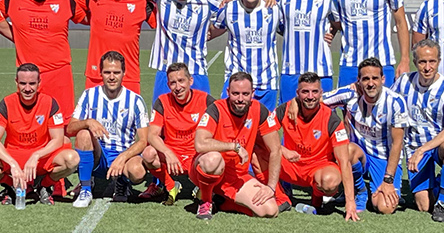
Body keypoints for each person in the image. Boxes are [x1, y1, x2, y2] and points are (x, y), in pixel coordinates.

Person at [0, 62, 78, 207]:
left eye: (32, 83)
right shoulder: (7, 103)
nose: (27, 89)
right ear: (16, 82)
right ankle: (11, 185)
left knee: (71, 159)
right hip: (13, 156)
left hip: (41, 159)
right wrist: (12, 163)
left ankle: (44, 185)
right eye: (23, 83)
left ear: (39, 83)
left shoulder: (49, 103)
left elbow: (58, 139)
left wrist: (36, 155)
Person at [191, 71, 284, 218]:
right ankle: (205, 201)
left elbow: (275, 150)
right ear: (228, 92)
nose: (240, 99)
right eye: (235, 94)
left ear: (252, 93)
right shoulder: (216, 109)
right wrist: (234, 147)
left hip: (237, 175)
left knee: (270, 210)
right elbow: (200, 144)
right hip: (208, 169)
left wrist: (271, 188)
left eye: (245, 94)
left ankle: (221, 201)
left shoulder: (259, 110)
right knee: (213, 160)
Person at [271, 71, 359, 221]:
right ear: (297, 93)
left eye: (314, 92)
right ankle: (281, 196)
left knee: (331, 180)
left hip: (318, 167)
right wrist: (282, 150)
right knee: (257, 152)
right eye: (305, 92)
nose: (310, 96)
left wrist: (350, 203)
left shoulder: (331, 119)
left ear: (321, 93)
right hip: (290, 164)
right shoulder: (284, 110)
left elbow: (344, 162)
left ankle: (316, 198)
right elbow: (263, 133)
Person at [0, 0, 79, 114]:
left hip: (59, 74)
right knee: (30, 122)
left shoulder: (65, 0)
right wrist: (17, 36)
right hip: (29, 76)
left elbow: (91, 15)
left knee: (63, 125)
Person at [395, 39, 444, 220]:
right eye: (422, 62)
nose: (427, 67)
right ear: (415, 62)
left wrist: (423, 149)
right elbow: (388, 106)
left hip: (437, 146)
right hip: (414, 147)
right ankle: (443, 182)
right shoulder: (404, 82)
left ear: (439, 61)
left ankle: (442, 203)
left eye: (432, 61)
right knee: (423, 205)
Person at [67, 50, 149, 205]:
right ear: (101, 73)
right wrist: (87, 122)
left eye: (116, 72)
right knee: (83, 134)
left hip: (123, 154)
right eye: (107, 72)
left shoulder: (135, 101)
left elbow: (143, 141)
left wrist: (122, 157)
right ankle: (85, 189)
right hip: (99, 154)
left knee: (138, 172)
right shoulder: (89, 95)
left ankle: (122, 182)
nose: (112, 77)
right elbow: (70, 129)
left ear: (124, 73)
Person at [73, 0, 156, 97]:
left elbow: (164, 23)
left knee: (129, 119)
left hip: (129, 76)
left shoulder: (142, 2)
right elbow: (68, 8)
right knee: (93, 119)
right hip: (96, 75)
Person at [341, 57, 411, 216]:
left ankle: (379, 187)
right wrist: (295, 104)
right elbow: (318, 100)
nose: (370, 83)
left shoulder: (395, 102)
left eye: (374, 78)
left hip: (383, 159)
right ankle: (360, 190)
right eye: (365, 79)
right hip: (360, 154)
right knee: (348, 148)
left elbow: (397, 144)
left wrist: (388, 180)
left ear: (383, 79)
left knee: (385, 207)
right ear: (359, 81)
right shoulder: (350, 94)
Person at [273, 0, 341, 105]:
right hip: (290, 71)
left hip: (320, 70)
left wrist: (330, 32)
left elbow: (338, 21)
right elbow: (276, 22)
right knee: (289, 120)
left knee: (321, 120)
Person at [148, 0, 222, 99]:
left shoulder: (205, 3)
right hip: (166, 71)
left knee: (201, 119)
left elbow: (231, 12)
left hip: (196, 72)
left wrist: (211, 33)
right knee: (161, 118)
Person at [141, 59, 213, 202]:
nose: (178, 87)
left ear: (190, 81)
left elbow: (221, 122)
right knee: (148, 153)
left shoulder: (205, 100)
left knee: (215, 157)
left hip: (195, 156)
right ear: (168, 85)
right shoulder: (162, 101)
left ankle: (202, 187)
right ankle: (170, 185)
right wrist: (168, 153)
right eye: (173, 83)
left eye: (181, 81)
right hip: (173, 155)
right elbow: (152, 135)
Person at [216, 0, 281, 110]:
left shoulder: (274, 9)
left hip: (266, 83)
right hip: (236, 82)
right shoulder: (228, 9)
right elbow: (211, 32)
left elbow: (289, 30)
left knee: (264, 130)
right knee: (229, 128)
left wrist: (329, 31)